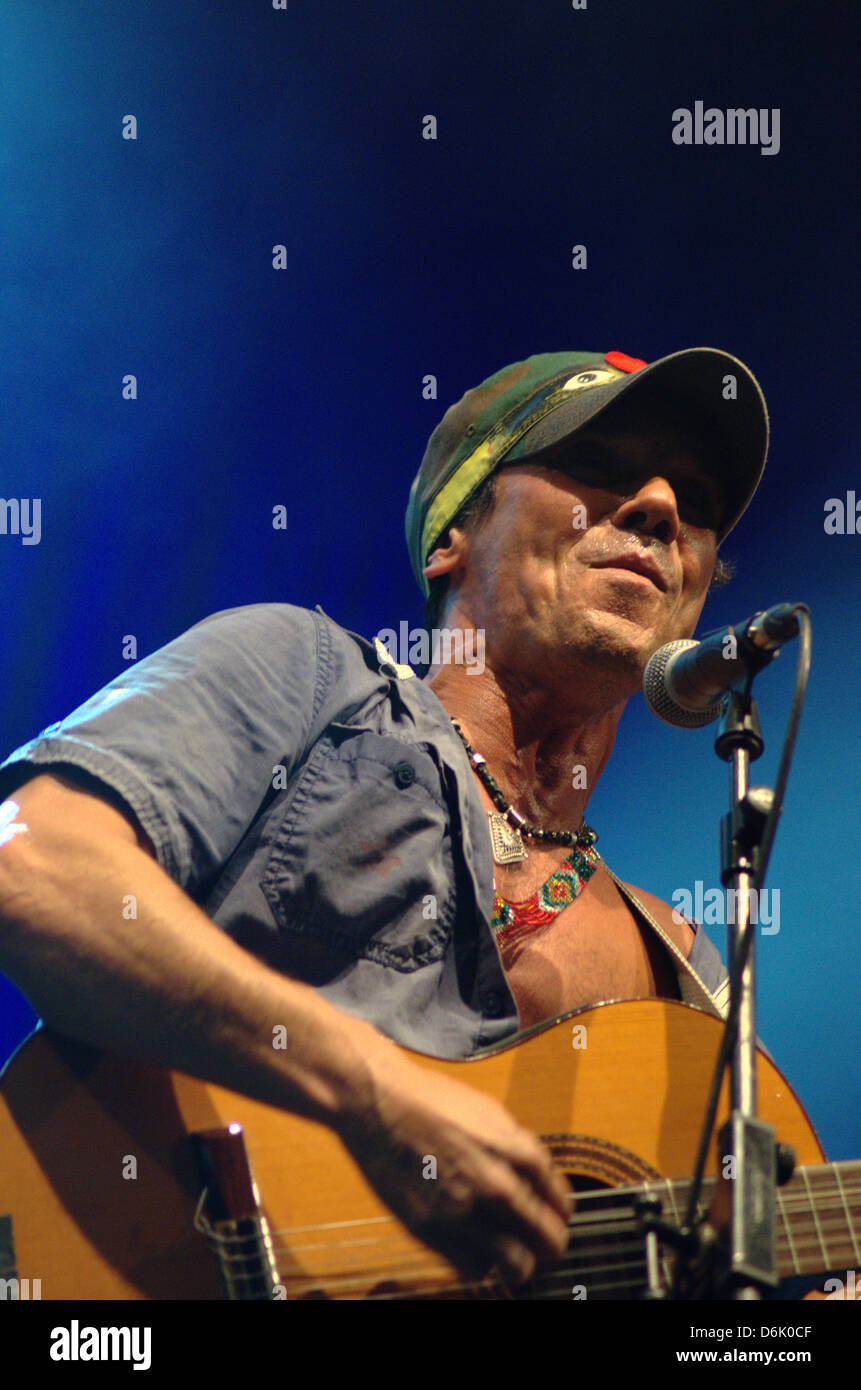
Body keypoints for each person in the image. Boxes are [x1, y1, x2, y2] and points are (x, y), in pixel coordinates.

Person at [0, 345, 769, 1289]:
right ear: (453, 534)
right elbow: (28, 867)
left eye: (693, 500)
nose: (658, 508)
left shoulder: (680, 974)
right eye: (601, 468)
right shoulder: (303, 671)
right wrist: (374, 1094)